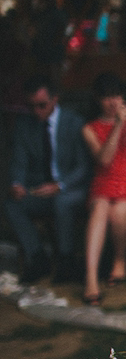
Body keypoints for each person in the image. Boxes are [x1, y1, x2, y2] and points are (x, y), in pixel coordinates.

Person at [5, 75, 91, 283]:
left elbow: (84, 167)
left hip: (71, 188)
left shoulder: (74, 123)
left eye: (42, 105)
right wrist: (17, 184)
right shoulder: (25, 124)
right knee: (12, 204)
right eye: (31, 106)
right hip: (40, 189)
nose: (37, 111)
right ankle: (37, 257)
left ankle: (66, 260)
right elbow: (19, 161)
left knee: (63, 202)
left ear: (55, 99)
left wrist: (60, 185)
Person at [81, 73, 126, 304]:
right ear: (98, 100)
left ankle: (119, 260)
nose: (113, 102)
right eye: (107, 97)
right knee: (100, 207)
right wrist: (118, 125)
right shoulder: (90, 129)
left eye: (116, 96)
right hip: (104, 184)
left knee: (119, 211)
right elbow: (104, 161)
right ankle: (90, 278)